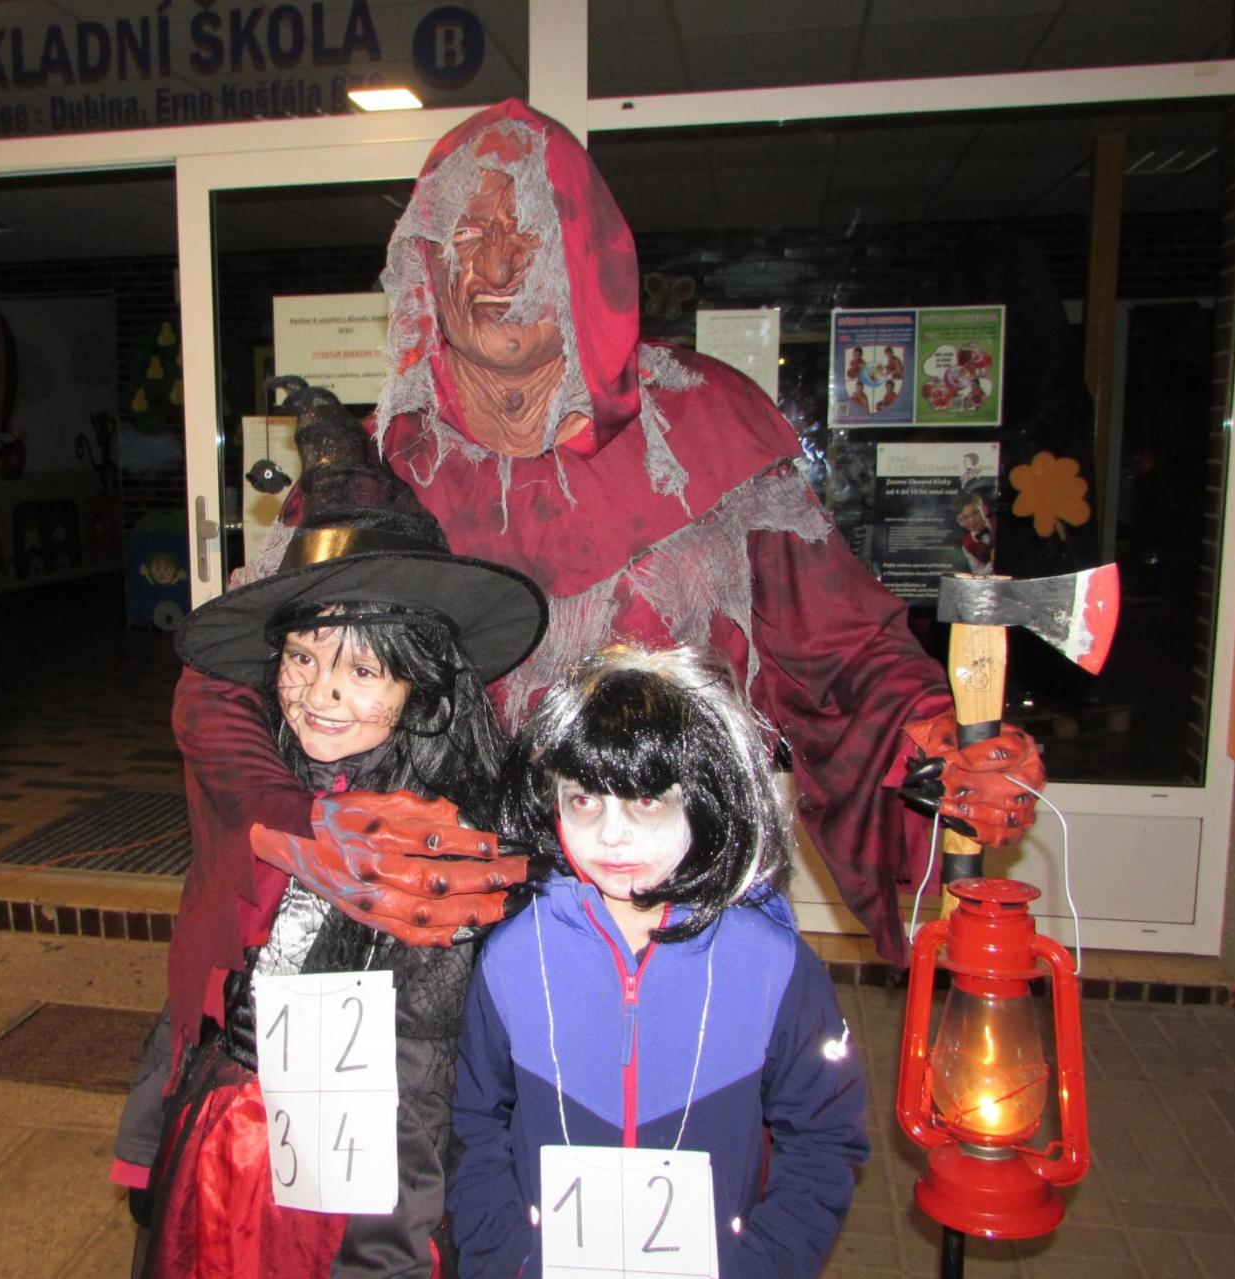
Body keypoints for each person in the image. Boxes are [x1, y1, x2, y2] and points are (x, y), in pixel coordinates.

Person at [168, 97, 1043, 1017]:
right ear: (427, 264)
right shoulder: (375, 470)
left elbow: (847, 655)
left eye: (529, 232)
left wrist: (941, 742)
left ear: (589, 254)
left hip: (673, 934)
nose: (497, 266)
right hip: (436, 954)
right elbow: (226, 681)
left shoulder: (704, 429)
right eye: (467, 233)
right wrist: (305, 825)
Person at [120, 381, 546, 1277]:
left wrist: (389, 1257)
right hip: (225, 1152)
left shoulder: (433, 853)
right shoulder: (275, 795)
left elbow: (419, 1086)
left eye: (362, 670)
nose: (319, 693)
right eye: (302, 657)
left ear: (422, 687)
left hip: (347, 1208)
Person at [448, 645, 868, 1278]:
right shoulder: (514, 957)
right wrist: (505, 1259)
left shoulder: (771, 965)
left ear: (706, 798)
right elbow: (474, 1125)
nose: (612, 834)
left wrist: (760, 1266)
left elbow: (825, 1136)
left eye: (648, 801)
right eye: (584, 800)